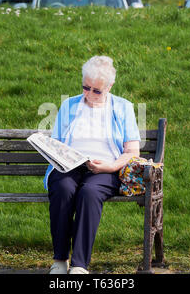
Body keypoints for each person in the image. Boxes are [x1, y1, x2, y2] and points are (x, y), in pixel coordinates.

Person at [43, 56, 141, 274]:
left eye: (96, 91)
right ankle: (60, 260)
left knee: (89, 193)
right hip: (68, 167)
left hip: (105, 168)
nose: (89, 94)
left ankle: (79, 264)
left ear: (109, 87)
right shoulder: (69, 105)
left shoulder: (123, 107)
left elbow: (132, 152)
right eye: (85, 87)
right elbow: (57, 143)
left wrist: (110, 167)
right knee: (62, 188)